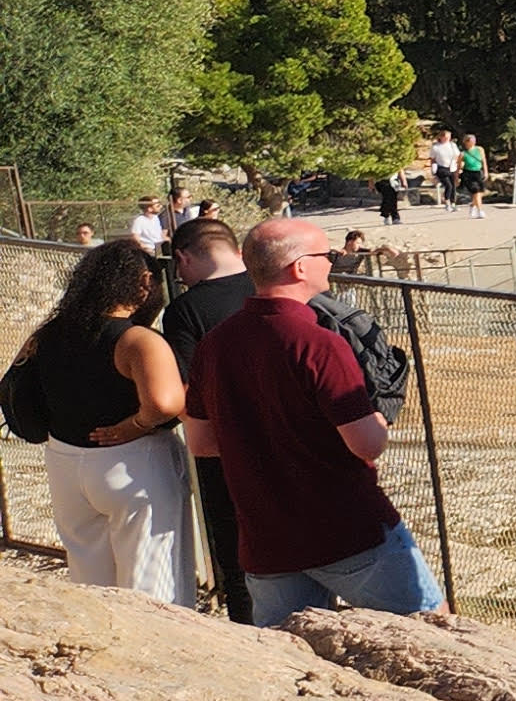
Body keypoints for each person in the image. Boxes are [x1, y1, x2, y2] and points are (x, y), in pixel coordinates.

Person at [181, 218, 442, 622]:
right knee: (433, 627)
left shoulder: (215, 343)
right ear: (299, 267)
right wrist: (382, 408)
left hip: (266, 538)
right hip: (346, 530)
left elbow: (201, 443)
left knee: (290, 650)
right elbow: (367, 443)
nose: (332, 262)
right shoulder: (319, 343)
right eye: (326, 255)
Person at [8, 238, 193, 604]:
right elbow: (165, 402)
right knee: (152, 583)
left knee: (89, 580)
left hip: (64, 461)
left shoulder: (47, 333)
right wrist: (135, 425)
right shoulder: (136, 340)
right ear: (144, 282)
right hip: (134, 463)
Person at [157, 215, 253, 623]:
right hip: (293, 438)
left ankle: (251, 639)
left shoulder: (185, 310)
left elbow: (186, 385)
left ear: (183, 258)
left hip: (223, 448)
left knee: (237, 554)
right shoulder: (272, 285)